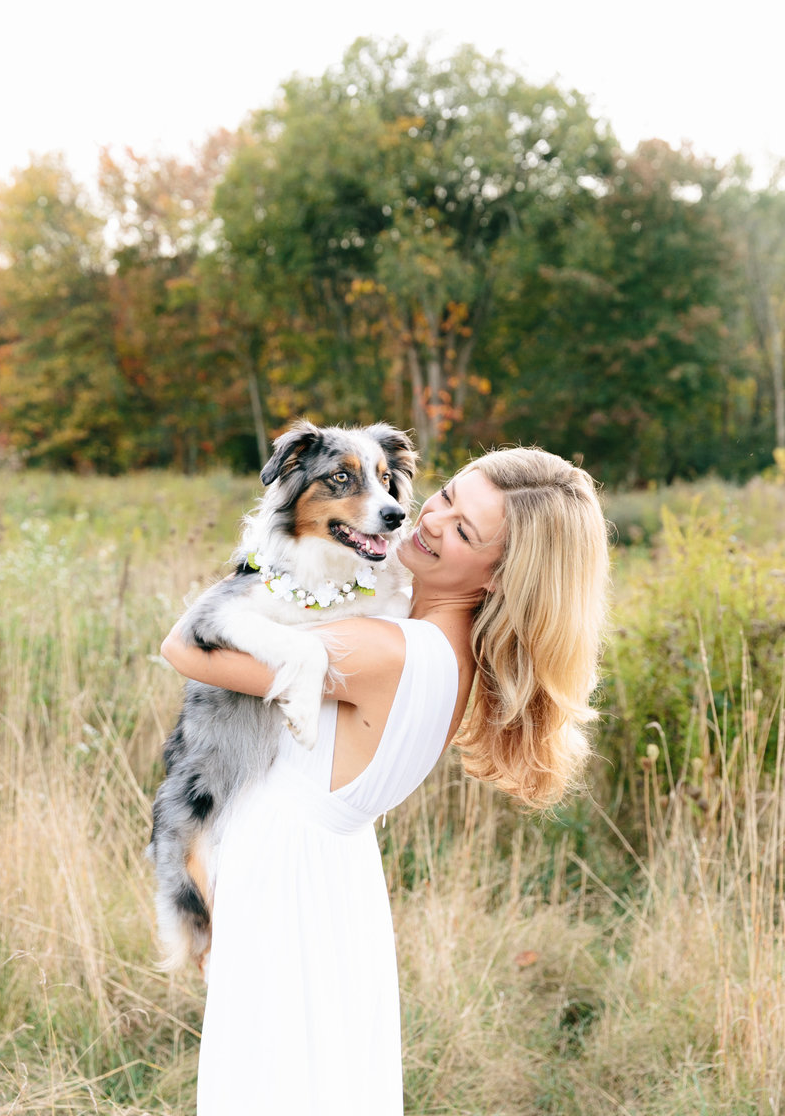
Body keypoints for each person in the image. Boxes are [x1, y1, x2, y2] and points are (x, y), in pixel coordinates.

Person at [160, 445, 611, 1116]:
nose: (428, 519)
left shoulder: (382, 650)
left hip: (284, 881)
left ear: (501, 577)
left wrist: (270, 547)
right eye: (449, 495)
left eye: (463, 531)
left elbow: (186, 647)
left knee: (270, 1084)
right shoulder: (437, 647)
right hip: (330, 879)